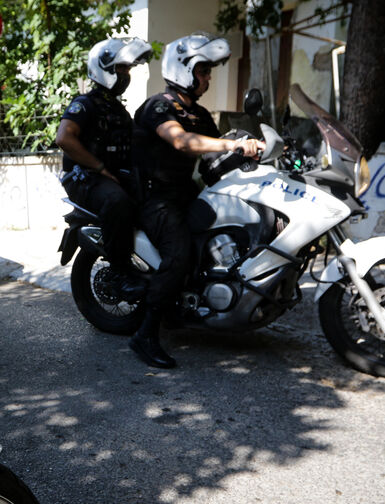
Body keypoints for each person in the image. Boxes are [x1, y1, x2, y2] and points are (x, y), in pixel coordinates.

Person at [129, 33, 264, 368]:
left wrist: (254, 153)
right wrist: (231, 145)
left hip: (185, 192)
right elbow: (182, 142)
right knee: (179, 253)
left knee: (221, 232)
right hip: (154, 198)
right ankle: (145, 334)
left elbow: (212, 157)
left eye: (208, 71)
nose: (208, 78)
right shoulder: (158, 106)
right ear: (183, 68)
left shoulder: (200, 114)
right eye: (203, 70)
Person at [55, 37, 153, 299]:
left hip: (110, 177)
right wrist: (99, 166)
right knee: (117, 201)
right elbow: (64, 138)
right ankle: (120, 273)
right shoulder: (85, 104)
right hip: (84, 177)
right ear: (104, 68)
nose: (126, 74)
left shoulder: (118, 109)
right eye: (121, 68)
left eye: (127, 69)